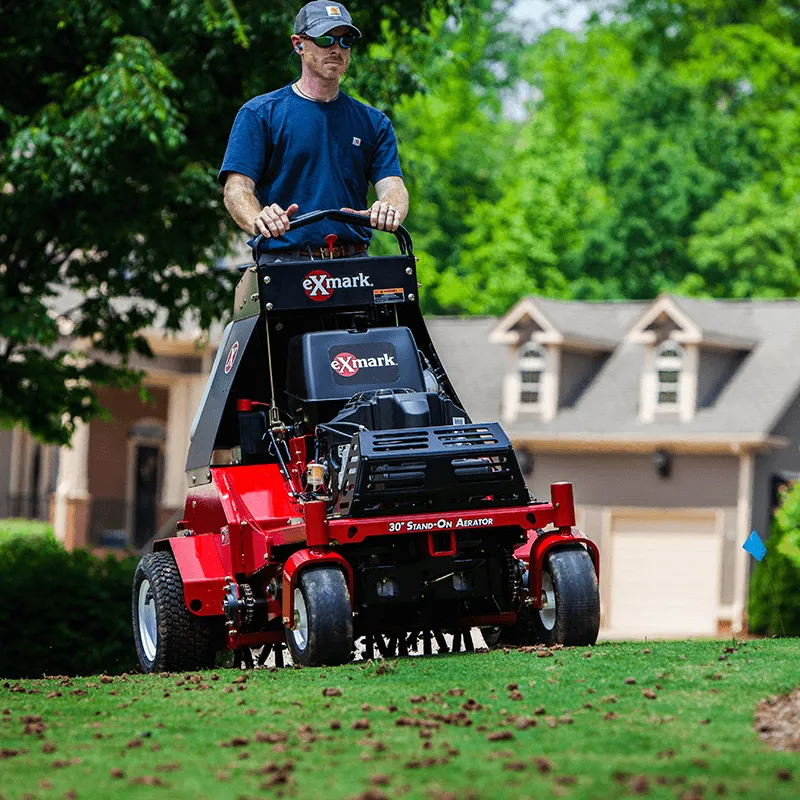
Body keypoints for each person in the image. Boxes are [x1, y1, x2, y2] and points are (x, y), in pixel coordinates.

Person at [219, 1, 409, 260]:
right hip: (283, 263)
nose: (336, 49)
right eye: (325, 39)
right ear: (298, 44)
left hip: (354, 265)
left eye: (345, 41)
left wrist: (389, 208)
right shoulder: (260, 114)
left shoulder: (373, 122)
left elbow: (394, 188)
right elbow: (236, 189)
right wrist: (258, 218)